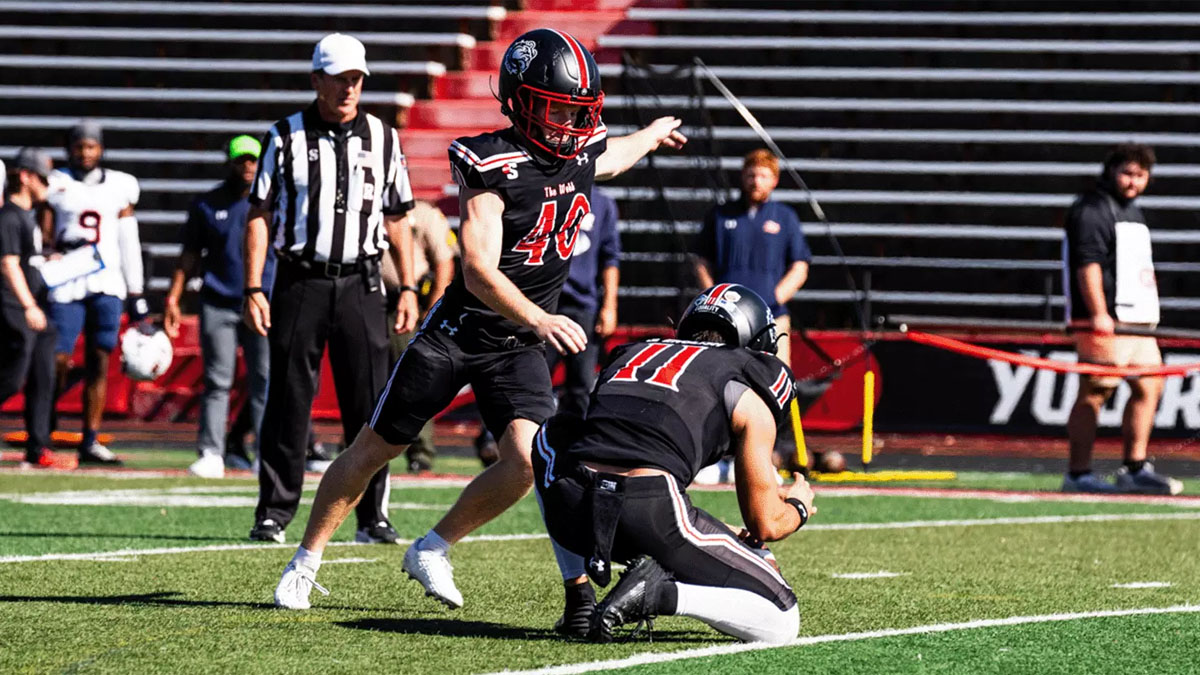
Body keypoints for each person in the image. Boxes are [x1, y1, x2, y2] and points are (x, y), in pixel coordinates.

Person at [272, 27, 686, 613]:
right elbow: (477, 271)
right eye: (559, 110)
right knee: (373, 450)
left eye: (579, 112)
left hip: (515, 345)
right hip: (457, 336)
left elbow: (613, 154)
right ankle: (305, 561)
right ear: (522, 102)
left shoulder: (580, 150)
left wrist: (653, 132)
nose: (572, 125)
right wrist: (541, 317)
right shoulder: (492, 162)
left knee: (528, 464)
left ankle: (433, 547)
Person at [534, 284, 813, 643]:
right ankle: (661, 594)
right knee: (783, 620)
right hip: (648, 509)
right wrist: (798, 506)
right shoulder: (745, 382)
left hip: (572, 507)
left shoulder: (633, 354)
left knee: (551, 436)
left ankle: (578, 597)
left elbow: (613, 445)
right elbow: (765, 524)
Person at [243, 33, 420, 545]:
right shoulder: (284, 135)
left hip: (363, 282)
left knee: (371, 403)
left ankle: (372, 517)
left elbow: (398, 218)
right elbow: (260, 214)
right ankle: (274, 512)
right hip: (300, 279)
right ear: (316, 79)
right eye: (339, 78)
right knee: (288, 401)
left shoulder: (383, 137)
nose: (349, 88)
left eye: (357, 79)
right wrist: (255, 285)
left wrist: (408, 286)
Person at [1062, 144, 1181, 495]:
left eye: (1140, 176)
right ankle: (1078, 472)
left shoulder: (1132, 212)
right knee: (1097, 389)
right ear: (1111, 171)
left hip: (1138, 320)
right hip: (1109, 320)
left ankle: (1134, 467)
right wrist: (1098, 312)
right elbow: (1089, 264)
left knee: (1150, 386)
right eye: (1127, 173)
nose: (1132, 182)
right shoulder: (1093, 209)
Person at [693, 149, 811, 476]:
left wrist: (775, 297)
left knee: (773, 382)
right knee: (721, 382)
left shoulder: (785, 217)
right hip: (727, 319)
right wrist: (711, 296)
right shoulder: (720, 215)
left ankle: (766, 455)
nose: (755, 180)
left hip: (772, 317)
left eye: (762, 175)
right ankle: (720, 457)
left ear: (773, 180)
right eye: (750, 174)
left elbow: (800, 265)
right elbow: (701, 260)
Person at [164, 135, 272, 478]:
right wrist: (173, 297)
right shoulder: (208, 204)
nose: (247, 167)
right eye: (241, 160)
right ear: (229, 162)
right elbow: (190, 255)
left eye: (253, 160)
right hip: (219, 300)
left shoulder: (274, 202)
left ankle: (265, 452)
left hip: (262, 300)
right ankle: (211, 451)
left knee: (265, 379)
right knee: (217, 379)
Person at [44, 121, 147, 466]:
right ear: (69, 148)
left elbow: (127, 238)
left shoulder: (120, 185)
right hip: (66, 280)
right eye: (79, 147)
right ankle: (44, 424)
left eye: (91, 147)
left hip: (107, 281)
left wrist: (137, 291)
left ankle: (90, 439)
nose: (85, 153)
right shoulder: (55, 183)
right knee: (56, 358)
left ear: (100, 149)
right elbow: (43, 231)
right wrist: (44, 255)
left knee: (99, 363)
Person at [381, 200, 455, 473]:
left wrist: (434, 307)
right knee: (365, 377)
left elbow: (444, 260)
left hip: (409, 302)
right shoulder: (365, 205)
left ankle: (420, 450)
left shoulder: (424, 214)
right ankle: (354, 445)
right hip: (367, 296)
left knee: (414, 377)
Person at [0, 148, 56, 467]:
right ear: (25, 176)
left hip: (33, 309)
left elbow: (24, 260)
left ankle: (39, 447)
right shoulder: (9, 215)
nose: (47, 186)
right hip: (14, 306)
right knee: (11, 377)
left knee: (43, 373)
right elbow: (8, 264)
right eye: (42, 178)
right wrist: (29, 306)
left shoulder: (28, 217)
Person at [547, 186, 620, 417]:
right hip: (545, 307)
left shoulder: (602, 203)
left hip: (583, 306)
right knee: (534, 379)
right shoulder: (548, 193)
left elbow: (611, 258)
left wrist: (609, 307)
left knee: (582, 386)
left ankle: (575, 446)